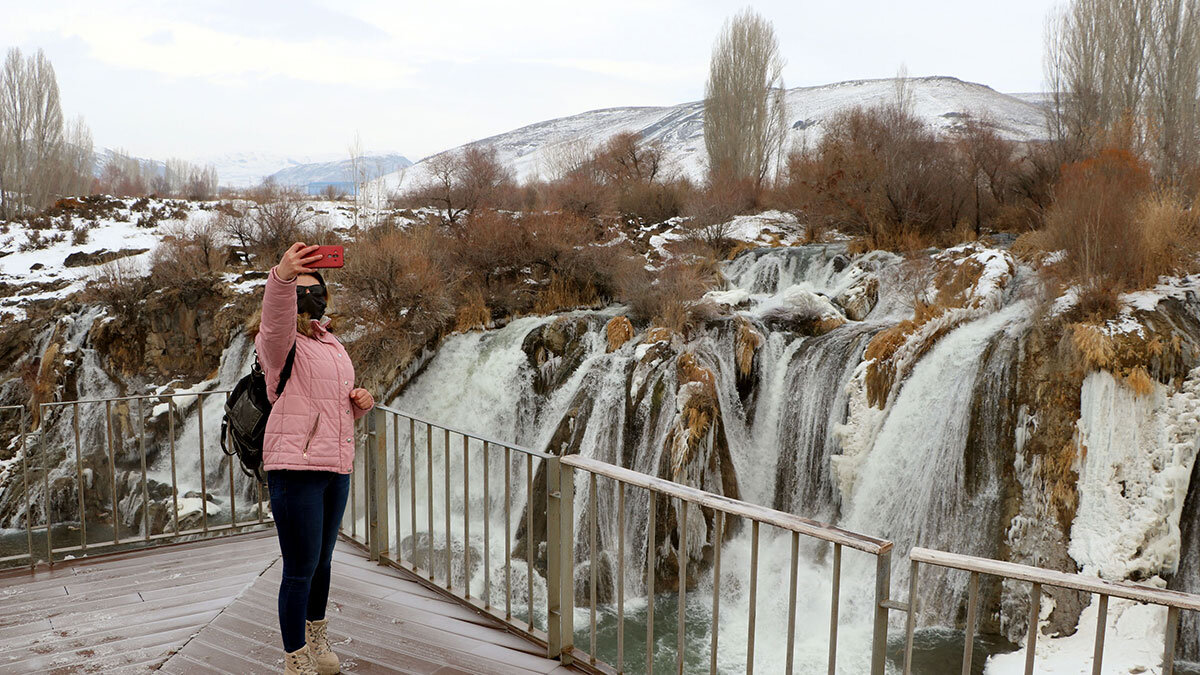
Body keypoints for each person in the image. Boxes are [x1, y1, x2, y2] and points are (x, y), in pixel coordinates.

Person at [254, 242, 375, 675]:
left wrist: (360, 402)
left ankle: (316, 635)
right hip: (296, 469)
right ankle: (296, 657)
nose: (309, 298)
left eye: (315, 289)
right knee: (299, 568)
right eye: (299, 290)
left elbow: (329, 404)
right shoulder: (279, 343)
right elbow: (275, 321)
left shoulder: (331, 342)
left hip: (334, 467)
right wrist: (282, 276)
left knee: (322, 562)